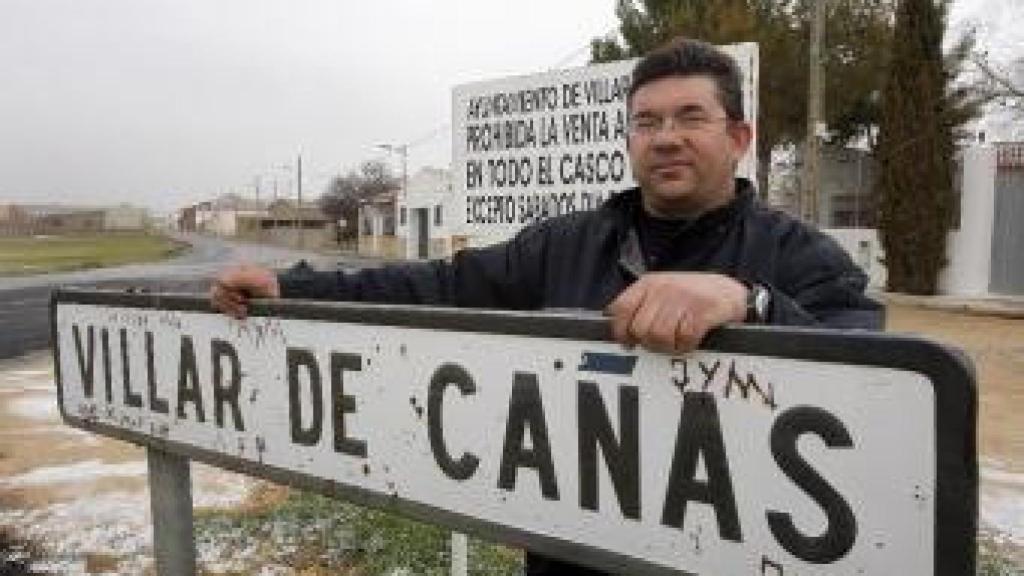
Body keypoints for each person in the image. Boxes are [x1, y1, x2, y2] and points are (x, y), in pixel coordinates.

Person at [212, 37, 883, 575]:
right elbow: (436, 286)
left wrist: (751, 302)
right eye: (646, 122)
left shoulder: (800, 255)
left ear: (739, 138)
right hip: (571, 557)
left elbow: (876, 386)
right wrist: (293, 288)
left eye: (690, 117)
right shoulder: (566, 244)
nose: (665, 137)